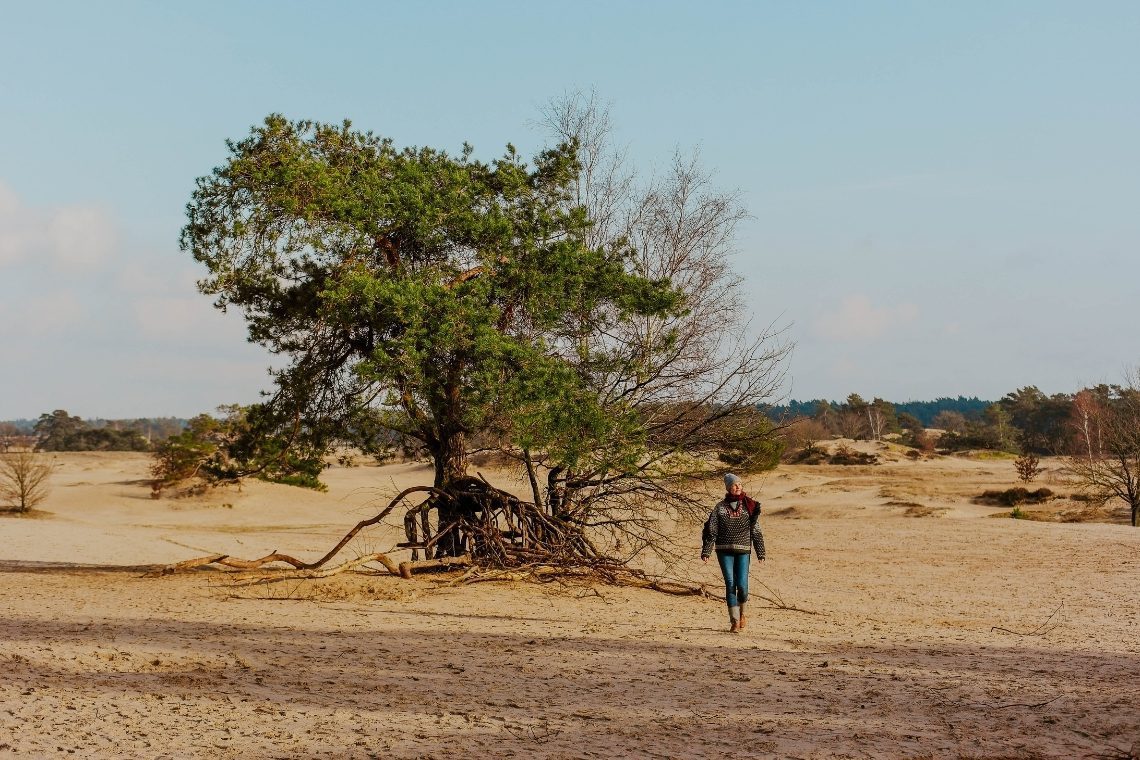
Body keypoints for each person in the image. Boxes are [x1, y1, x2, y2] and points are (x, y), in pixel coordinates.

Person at [701, 473, 765, 632]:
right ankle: (734, 621)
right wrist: (706, 551)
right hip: (723, 550)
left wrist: (760, 552)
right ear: (729, 488)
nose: (738, 487)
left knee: (742, 585)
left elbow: (755, 531)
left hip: (743, 549)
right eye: (735, 485)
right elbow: (712, 530)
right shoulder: (720, 507)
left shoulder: (750, 506)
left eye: (740, 484)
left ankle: (743, 614)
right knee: (730, 584)